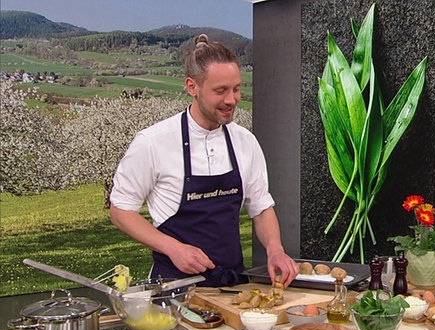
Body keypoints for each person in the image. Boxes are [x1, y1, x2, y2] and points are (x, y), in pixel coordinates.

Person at [109, 34, 299, 288]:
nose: (231, 100)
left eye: (236, 88)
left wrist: (275, 249)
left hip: (234, 286)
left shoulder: (245, 141)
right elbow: (120, 210)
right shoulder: (153, 142)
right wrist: (174, 249)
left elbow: (261, 206)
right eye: (220, 91)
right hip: (174, 290)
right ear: (192, 87)